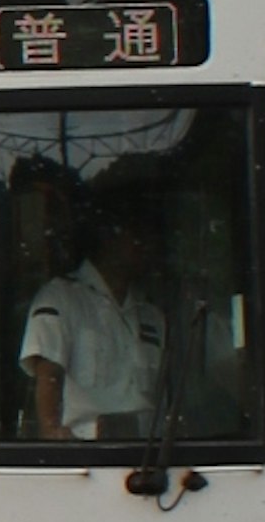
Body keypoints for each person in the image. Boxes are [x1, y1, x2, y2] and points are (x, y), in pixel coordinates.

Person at [20, 188, 167, 441]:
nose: (145, 246)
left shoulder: (151, 313)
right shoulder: (61, 298)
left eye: (149, 237)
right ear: (108, 238)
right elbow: (49, 373)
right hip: (85, 457)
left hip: (148, 456)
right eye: (135, 236)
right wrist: (52, 433)